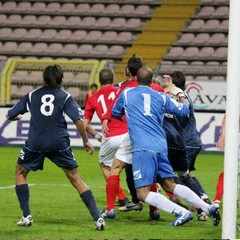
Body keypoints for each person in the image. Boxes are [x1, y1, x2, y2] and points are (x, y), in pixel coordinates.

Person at [111, 66, 221, 226]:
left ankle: (181, 212)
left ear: (136, 79)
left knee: (142, 193)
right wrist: (182, 95)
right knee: (170, 184)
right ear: (151, 81)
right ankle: (207, 207)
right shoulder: (161, 97)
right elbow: (184, 110)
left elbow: (115, 113)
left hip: (142, 148)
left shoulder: (127, 93)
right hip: (161, 146)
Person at [6, 65, 105, 231]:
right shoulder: (65, 97)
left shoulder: (31, 96)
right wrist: (85, 140)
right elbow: (78, 120)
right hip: (59, 143)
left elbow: (9, 114)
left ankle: (26, 216)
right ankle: (98, 219)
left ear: (43, 79)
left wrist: (17, 117)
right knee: (76, 178)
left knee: (20, 172)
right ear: (61, 79)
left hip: (35, 143)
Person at [102, 55, 162, 220]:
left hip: (133, 135)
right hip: (154, 137)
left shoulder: (125, 89)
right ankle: (154, 211)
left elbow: (116, 110)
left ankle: (110, 209)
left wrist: (108, 118)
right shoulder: (156, 88)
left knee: (114, 168)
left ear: (128, 70)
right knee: (151, 174)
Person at [160, 71, 211, 221]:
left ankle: (203, 205)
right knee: (185, 174)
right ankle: (203, 200)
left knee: (165, 175)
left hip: (185, 143)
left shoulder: (178, 99)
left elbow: (178, 115)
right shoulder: (181, 96)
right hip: (192, 141)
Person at [84, 68, 129, 218]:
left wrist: (95, 136)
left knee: (105, 165)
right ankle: (153, 206)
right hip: (128, 134)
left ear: (99, 80)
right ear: (113, 79)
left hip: (110, 136)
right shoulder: (120, 90)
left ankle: (121, 198)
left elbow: (84, 123)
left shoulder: (93, 97)